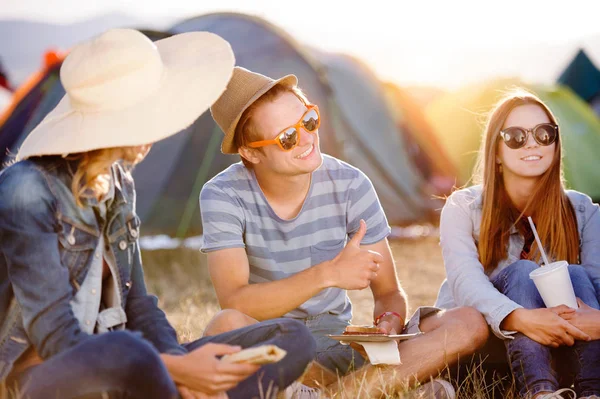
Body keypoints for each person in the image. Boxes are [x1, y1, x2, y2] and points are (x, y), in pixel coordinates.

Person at [0, 29, 315, 399]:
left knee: (291, 337)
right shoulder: (25, 191)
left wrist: (177, 361)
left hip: (133, 368)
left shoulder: (117, 180)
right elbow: (55, 337)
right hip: (46, 378)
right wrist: (180, 368)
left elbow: (139, 304)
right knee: (128, 349)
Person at [199, 66, 489, 398]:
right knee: (225, 326)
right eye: (287, 137)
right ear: (250, 152)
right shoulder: (222, 195)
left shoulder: (351, 184)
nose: (307, 139)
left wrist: (390, 320)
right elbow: (235, 300)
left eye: (308, 121)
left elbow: (389, 295)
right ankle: (377, 391)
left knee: (467, 323)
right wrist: (328, 273)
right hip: (274, 347)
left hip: (339, 347)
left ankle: (324, 394)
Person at [435, 90, 600, 399]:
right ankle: (538, 393)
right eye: (515, 136)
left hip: (560, 344)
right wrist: (520, 317)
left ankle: (591, 392)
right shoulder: (463, 207)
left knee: (576, 274)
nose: (532, 143)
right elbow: (465, 283)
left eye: (543, 133)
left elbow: (597, 283)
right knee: (523, 271)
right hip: (486, 348)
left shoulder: (583, 211)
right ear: (496, 150)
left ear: (555, 143)